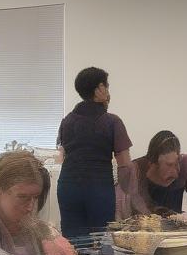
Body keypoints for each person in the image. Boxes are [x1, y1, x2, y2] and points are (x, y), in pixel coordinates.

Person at [56, 67, 133, 245]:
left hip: (68, 187)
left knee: (74, 245)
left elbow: (63, 156)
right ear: (99, 88)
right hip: (97, 189)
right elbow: (125, 165)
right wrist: (128, 195)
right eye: (106, 86)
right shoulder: (112, 122)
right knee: (98, 245)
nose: (108, 91)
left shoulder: (67, 120)